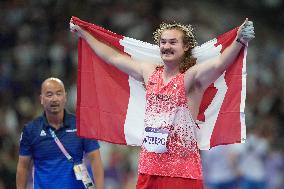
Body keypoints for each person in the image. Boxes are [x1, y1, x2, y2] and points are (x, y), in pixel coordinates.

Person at [70, 18, 254, 189]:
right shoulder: (149, 72)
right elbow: (112, 58)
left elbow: (220, 63)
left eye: (173, 42)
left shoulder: (190, 78)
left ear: (186, 47)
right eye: (163, 42)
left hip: (182, 172)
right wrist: (85, 34)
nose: (166, 46)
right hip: (149, 169)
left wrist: (239, 40)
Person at [16, 77, 104, 189]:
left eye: (59, 94)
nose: (54, 99)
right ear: (41, 99)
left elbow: (95, 159)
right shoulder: (30, 130)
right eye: (49, 94)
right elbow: (23, 167)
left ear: (65, 97)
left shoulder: (81, 125)